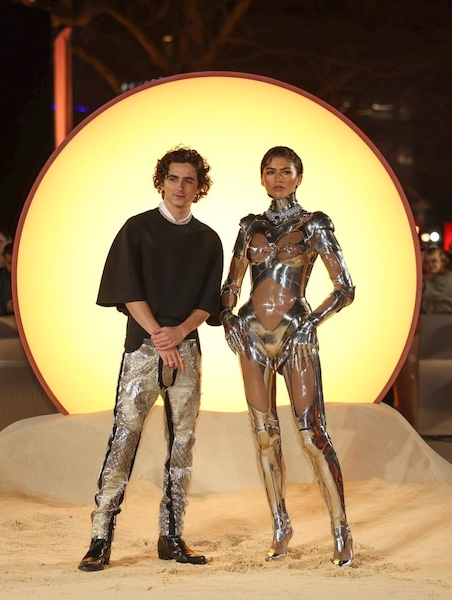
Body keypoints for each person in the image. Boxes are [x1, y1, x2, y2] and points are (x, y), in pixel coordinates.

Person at [78, 146, 223, 572]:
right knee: (123, 440)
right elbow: (127, 289)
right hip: (143, 349)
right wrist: (162, 336)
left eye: (189, 180)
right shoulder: (136, 230)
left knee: (182, 446)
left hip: (187, 353)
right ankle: (100, 538)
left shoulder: (208, 239)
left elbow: (208, 302)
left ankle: (172, 535)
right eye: (174, 178)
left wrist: (179, 333)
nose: (181, 187)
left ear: (200, 187)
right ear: (162, 181)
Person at [219, 146, 355, 567]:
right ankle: (280, 525)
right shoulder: (249, 226)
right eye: (270, 171)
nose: (278, 178)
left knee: (312, 435)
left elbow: (345, 287)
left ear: (299, 177)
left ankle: (341, 529)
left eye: (286, 171)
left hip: (295, 333)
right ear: (262, 178)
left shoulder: (314, 224)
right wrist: (228, 316)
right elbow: (232, 282)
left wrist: (311, 322)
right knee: (264, 434)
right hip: (253, 335)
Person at [421, 246, 452, 314]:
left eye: (433, 261)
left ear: (442, 262)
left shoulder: (445, 279)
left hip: (445, 318)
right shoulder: (431, 277)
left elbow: (431, 292)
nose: (429, 265)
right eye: (426, 262)